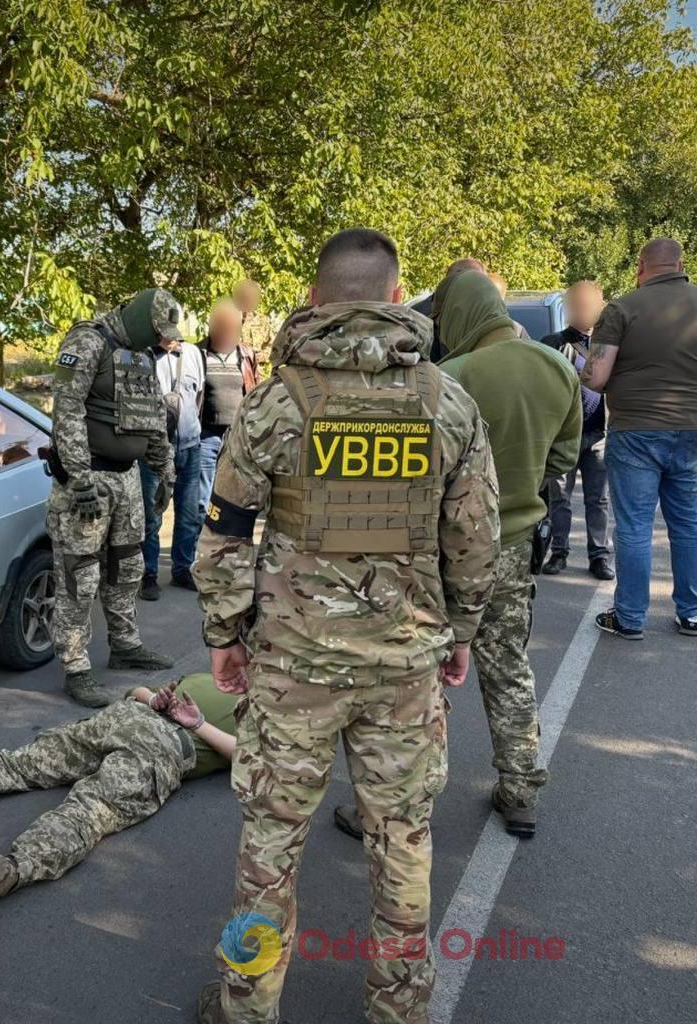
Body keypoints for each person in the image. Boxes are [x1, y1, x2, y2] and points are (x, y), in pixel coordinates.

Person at [193, 229, 500, 1024]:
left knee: (269, 846)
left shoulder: (275, 403)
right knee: (402, 841)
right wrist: (462, 632)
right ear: (399, 299)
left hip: (293, 668)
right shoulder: (447, 402)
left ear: (318, 300)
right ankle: (400, 1010)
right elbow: (475, 540)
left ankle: (245, 1006)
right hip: (403, 668)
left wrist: (225, 637)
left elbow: (225, 529)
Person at [0, 674, 236, 914]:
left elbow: (140, 693)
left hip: (128, 720)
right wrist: (166, 706)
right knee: (90, 809)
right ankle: (17, 867)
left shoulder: (223, 685)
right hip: (154, 736)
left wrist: (169, 708)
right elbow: (249, 758)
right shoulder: (257, 704)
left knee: (19, 764)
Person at [432, 270, 579, 836]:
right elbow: (563, 463)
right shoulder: (558, 368)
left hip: (447, 552)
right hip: (517, 544)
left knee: (424, 673)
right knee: (509, 665)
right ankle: (519, 789)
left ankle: (407, 798)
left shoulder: (450, 378)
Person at [45, 287, 178, 708]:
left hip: (126, 481)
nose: (163, 340)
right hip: (89, 484)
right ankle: (75, 665)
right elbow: (66, 409)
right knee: (78, 574)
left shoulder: (140, 355)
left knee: (127, 566)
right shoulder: (87, 341)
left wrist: (165, 468)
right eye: (159, 331)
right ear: (141, 319)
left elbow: (153, 416)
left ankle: (125, 645)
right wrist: (80, 478)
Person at [582, 238, 697, 640]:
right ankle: (692, 613)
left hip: (635, 431)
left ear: (640, 267)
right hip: (692, 430)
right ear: (681, 264)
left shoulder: (621, 308)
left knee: (634, 527)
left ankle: (630, 618)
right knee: (689, 524)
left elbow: (595, 378)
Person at [540, 281, 613, 579]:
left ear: (600, 307)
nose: (581, 310)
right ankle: (559, 552)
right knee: (559, 498)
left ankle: (599, 556)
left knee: (599, 499)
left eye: (587, 304)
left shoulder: (610, 344)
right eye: (576, 304)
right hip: (564, 434)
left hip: (599, 434)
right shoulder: (553, 343)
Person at [139, 329, 206, 598]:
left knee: (189, 515)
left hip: (190, 447)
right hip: (153, 451)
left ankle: (182, 570)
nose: (168, 339)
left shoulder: (193, 354)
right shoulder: (141, 357)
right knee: (150, 517)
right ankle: (149, 574)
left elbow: (197, 397)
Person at [197, 299, 261, 514]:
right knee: (201, 500)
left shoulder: (246, 355)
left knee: (234, 496)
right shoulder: (198, 353)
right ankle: (198, 543)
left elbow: (255, 391)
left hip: (237, 437)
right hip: (206, 437)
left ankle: (223, 542)